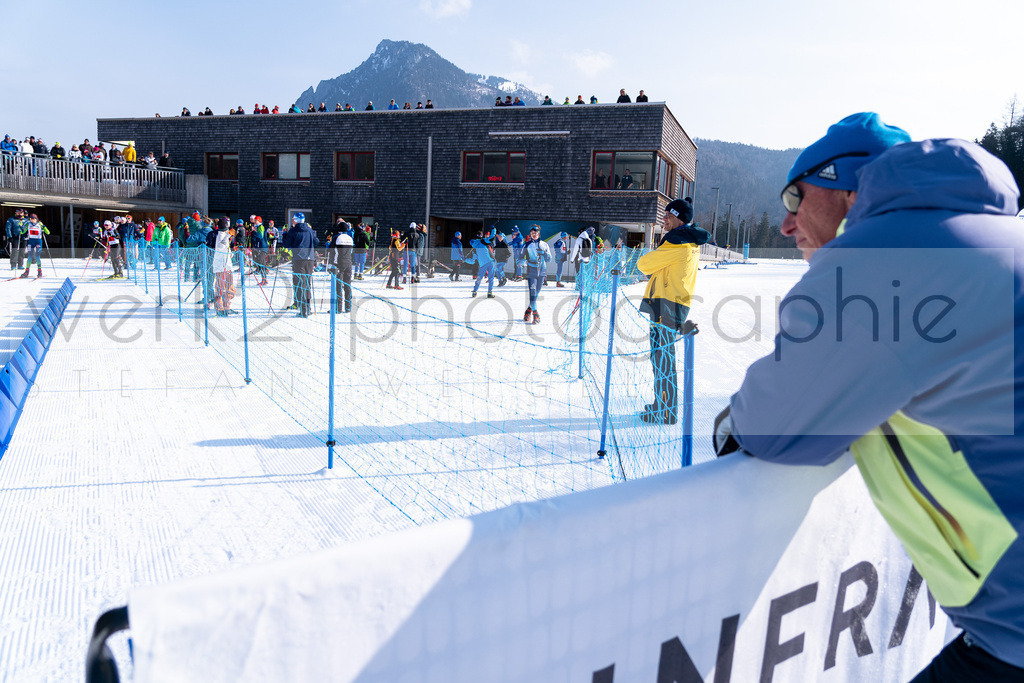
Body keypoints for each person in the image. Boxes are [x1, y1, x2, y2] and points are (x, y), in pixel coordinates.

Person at [713, 113, 1024, 682]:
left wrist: (731, 423)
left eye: (794, 195)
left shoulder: (883, 260)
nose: (786, 223)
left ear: (849, 189)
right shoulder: (990, 237)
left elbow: (777, 427)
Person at [636, 197, 707, 424]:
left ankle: (665, 411)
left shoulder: (678, 243)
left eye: (668, 215)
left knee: (662, 358)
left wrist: (654, 260)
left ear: (679, 218)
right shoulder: (685, 240)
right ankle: (662, 405)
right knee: (661, 357)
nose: (663, 219)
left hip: (667, 303)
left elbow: (644, 264)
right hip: (670, 302)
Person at [281, 212, 318, 316]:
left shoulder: (293, 230)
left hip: (298, 259)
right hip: (309, 259)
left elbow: (286, 244)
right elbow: (316, 241)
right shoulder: (309, 230)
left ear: (296, 220)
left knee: (300, 283)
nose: (292, 220)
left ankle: (303, 310)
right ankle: (307, 306)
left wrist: (284, 234)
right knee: (307, 283)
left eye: (293, 219)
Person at [520, 225, 551, 324]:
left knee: (536, 295)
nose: (534, 235)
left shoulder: (544, 244)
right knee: (532, 295)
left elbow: (549, 259)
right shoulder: (527, 245)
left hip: (542, 272)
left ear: (539, 234)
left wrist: (544, 253)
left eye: (535, 233)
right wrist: (523, 262)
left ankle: (528, 310)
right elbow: (520, 258)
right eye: (532, 233)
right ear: (530, 234)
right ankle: (535, 314)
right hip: (531, 272)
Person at [326, 221, 353, 313]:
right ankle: (348, 307)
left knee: (338, 286)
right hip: (348, 263)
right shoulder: (350, 238)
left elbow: (330, 250)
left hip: (338, 264)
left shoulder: (337, 238)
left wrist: (328, 243)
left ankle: (338, 307)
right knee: (347, 285)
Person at [19, 213, 50, 279]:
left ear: (36, 219)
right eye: (31, 219)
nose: (32, 220)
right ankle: (26, 271)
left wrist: (43, 227)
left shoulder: (40, 224)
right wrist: (21, 227)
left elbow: (48, 232)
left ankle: (39, 271)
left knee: (37, 257)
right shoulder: (28, 224)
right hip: (30, 242)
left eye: (33, 219)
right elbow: (22, 232)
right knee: (29, 257)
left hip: (38, 242)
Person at [470, 228, 496, 298]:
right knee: (491, 278)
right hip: (490, 261)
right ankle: (489, 293)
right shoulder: (483, 241)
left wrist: (464, 259)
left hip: (482, 264)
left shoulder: (474, 249)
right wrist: (494, 229)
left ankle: (475, 291)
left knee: (479, 278)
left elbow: (472, 261)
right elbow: (491, 238)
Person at [249, 216, 268, 285]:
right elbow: (255, 237)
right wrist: (252, 232)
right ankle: (264, 279)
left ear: (259, 221)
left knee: (261, 263)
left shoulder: (261, 227)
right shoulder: (257, 227)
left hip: (262, 247)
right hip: (259, 247)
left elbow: (260, 236)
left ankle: (264, 279)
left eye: (256, 220)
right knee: (260, 263)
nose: (254, 222)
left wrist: (254, 232)